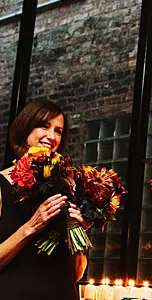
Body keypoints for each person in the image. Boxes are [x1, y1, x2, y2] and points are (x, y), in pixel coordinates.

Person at [0, 99, 88, 299]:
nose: (52, 136)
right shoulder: (1, 185)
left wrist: (77, 232)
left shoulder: (67, 187)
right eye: (44, 126)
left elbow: (76, 273)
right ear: (26, 129)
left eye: (58, 131)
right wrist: (30, 227)